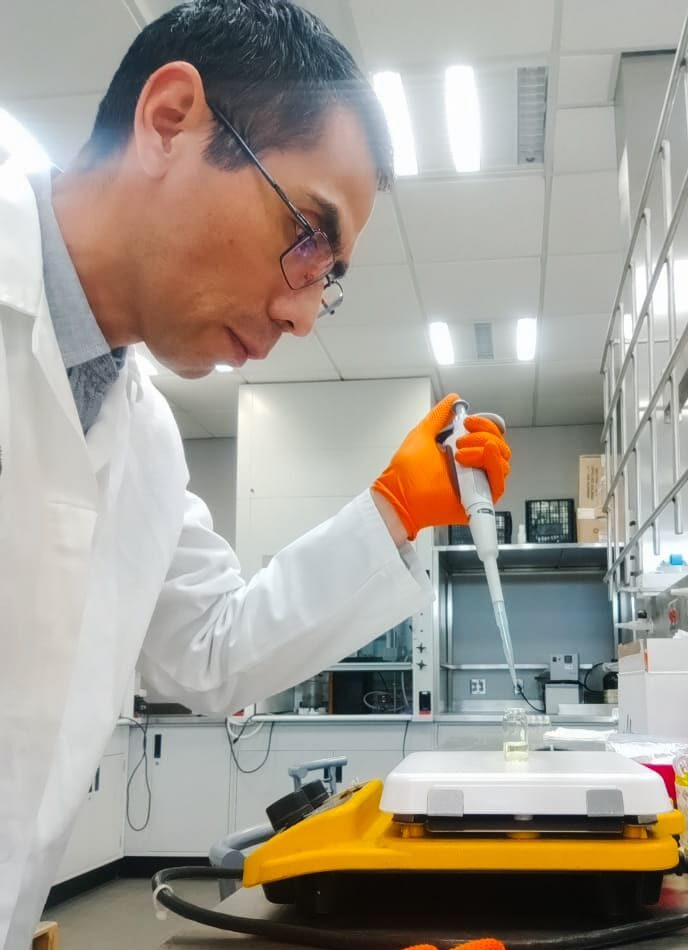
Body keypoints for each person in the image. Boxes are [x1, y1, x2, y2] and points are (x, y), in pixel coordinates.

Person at [0, 2, 511, 946]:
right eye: (308, 232)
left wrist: (394, 510)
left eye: (331, 276)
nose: (305, 315)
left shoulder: (146, 442)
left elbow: (211, 651)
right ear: (170, 120)